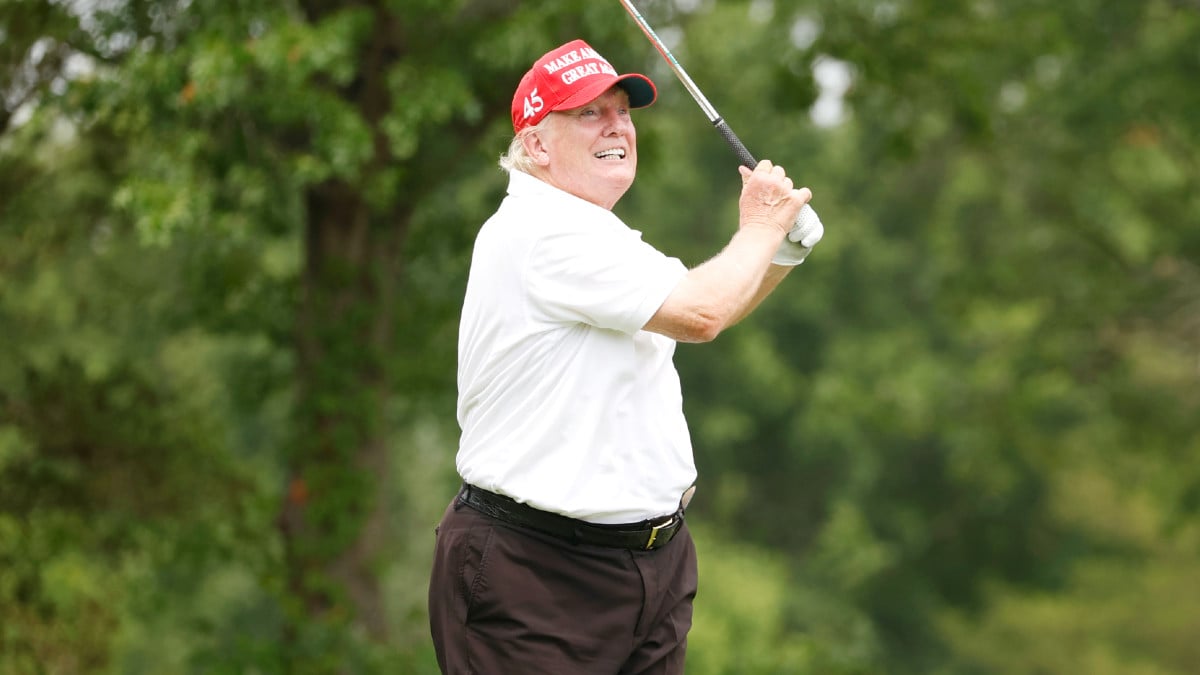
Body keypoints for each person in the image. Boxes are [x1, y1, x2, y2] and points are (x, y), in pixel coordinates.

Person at [428, 38, 821, 675]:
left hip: (649, 568)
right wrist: (761, 226)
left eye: (623, 112)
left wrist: (777, 251)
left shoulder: (598, 236)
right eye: (588, 113)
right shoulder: (541, 233)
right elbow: (703, 313)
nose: (616, 126)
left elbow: (703, 306)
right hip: (537, 573)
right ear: (536, 145)